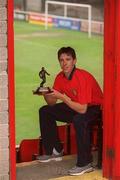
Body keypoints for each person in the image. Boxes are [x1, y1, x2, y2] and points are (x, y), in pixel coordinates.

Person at [37, 47, 103, 176]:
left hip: (94, 108)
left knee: (79, 119)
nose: (64, 63)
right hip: (76, 105)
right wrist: (46, 93)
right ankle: (55, 150)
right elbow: (52, 103)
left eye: (68, 59)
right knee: (45, 111)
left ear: (74, 61)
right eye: (61, 60)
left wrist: (62, 97)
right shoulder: (60, 77)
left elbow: (83, 109)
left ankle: (85, 164)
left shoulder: (82, 76)